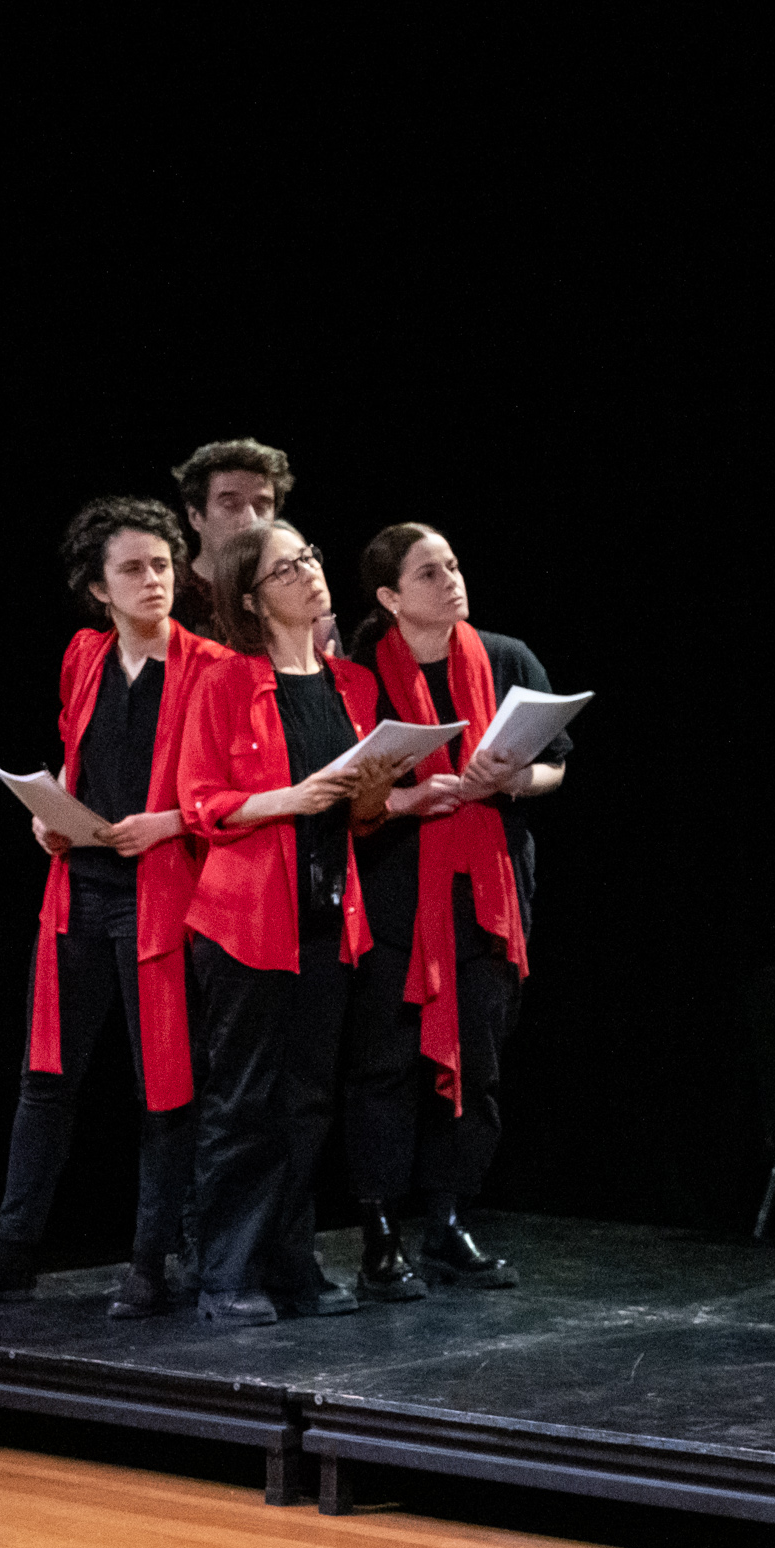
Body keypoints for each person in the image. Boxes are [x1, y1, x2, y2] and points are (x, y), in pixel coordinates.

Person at [0, 498, 233, 1316]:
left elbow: (238, 788)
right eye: (132, 569)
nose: (153, 580)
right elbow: (78, 751)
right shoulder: (85, 655)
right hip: (81, 892)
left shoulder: (210, 666)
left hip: (161, 894)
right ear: (98, 587)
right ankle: (13, 1253)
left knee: (164, 1086)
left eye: (162, 564)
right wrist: (49, 815)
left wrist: (174, 820)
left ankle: (152, 1262)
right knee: (46, 1079)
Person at [176, 519, 406, 1323]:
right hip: (244, 922)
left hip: (326, 913)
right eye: (287, 568)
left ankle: (292, 1264)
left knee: (307, 1100)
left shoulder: (351, 685)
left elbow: (361, 820)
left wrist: (374, 792)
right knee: (245, 1101)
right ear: (251, 597)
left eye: (310, 557)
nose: (310, 573)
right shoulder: (225, 681)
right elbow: (199, 805)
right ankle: (227, 1274)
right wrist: (290, 798)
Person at [337, 522, 572, 1297]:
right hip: (393, 895)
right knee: (385, 1068)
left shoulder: (505, 658)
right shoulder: (359, 672)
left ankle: (446, 1221)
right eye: (429, 573)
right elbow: (342, 796)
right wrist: (406, 798)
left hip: (488, 896)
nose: (450, 581)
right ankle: (378, 1230)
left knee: (479, 1064)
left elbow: (556, 771)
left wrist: (512, 779)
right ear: (388, 596)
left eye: (453, 566)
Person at [169, 437, 333, 653]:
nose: (251, 520)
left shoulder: (295, 588)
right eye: (230, 504)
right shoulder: (170, 601)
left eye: (262, 505)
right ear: (195, 517)